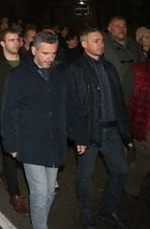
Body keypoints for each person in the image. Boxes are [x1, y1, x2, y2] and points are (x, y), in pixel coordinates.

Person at [2, 31, 71, 229]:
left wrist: (79, 135)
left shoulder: (60, 73)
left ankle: (41, 222)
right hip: (29, 141)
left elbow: (69, 106)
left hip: (54, 140)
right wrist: (11, 143)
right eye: (45, 53)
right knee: (40, 192)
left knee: (49, 191)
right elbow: (9, 111)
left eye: (53, 53)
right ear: (33, 50)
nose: (50, 58)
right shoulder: (18, 75)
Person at [68, 28, 130, 229]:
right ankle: (86, 214)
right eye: (96, 41)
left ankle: (108, 208)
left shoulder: (109, 68)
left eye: (102, 41)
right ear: (84, 44)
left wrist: (125, 132)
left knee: (121, 171)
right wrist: (78, 136)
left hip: (112, 131)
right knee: (85, 176)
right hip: (89, 131)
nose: (101, 44)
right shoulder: (76, 70)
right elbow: (72, 105)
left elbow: (119, 100)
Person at [0, 28, 28, 215]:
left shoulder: (27, 62)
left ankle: (5, 175)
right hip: (4, 116)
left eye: (18, 39)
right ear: (2, 44)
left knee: (25, 151)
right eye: (11, 40)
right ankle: (15, 195)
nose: (16, 43)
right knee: (10, 154)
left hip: (26, 115)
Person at [103, 16, 144, 102]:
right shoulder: (103, 47)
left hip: (137, 93)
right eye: (117, 26)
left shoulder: (135, 45)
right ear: (109, 29)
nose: (122, 29)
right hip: (115, 94)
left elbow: (143, 66)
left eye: (124, 26)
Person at [126, 58, 150, 199]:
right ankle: (131, 188)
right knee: (144, 159)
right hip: (143, 123)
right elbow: (126, 98)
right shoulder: (137, 70)